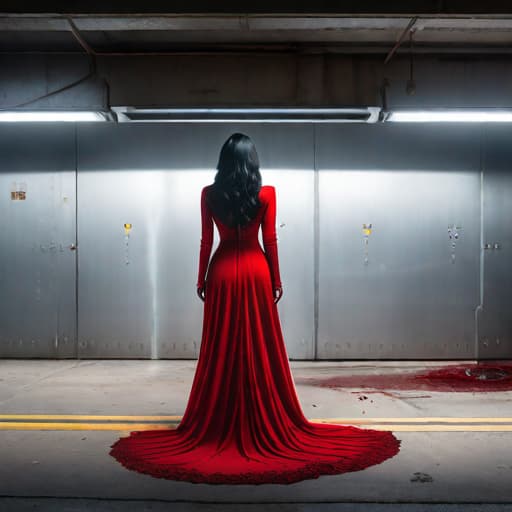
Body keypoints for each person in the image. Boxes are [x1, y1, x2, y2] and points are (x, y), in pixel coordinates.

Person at [109, 132, 401, 485]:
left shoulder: (208, 194)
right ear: (253, 162)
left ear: (224, 161)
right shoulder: (266, 194)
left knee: (221, 347)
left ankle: (218, 415)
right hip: (255, 270)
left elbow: (206, 240)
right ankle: (261, 410)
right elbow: (270, 239)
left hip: (222, 273)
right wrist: (277, 279)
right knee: (258, 345)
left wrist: (200, 278)